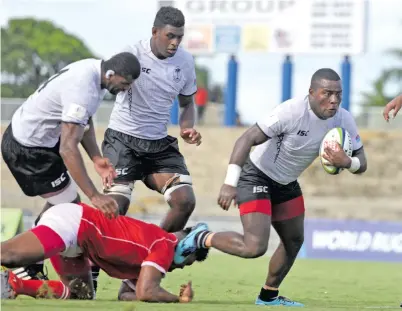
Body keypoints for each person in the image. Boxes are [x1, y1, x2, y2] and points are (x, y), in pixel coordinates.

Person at [176, 68, 368, 307]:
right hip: (256, 176)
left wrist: (348, 162)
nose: (334, 100)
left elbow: (363, 163)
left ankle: (269, 296)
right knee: (254, 246)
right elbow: (246, 139)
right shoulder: (291, 111)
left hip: (286, 184)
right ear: (311, 92)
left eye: (338, 94)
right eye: (327, 93)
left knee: (294, 240)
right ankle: (201, 237)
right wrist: (229, 183)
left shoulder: (343, 119)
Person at [1, 52, 141, 280]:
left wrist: (96, 158)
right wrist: (94, 196)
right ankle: (22, 262)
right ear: (111, 74)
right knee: (68, 208)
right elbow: (68, 148)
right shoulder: (84, 87)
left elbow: (84, 120)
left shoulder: (93, 72)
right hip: (29, 149)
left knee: (62, 207)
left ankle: (29, 263)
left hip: (38, 143)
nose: (125, 89)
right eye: (125, 83)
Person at [102, 6, 201, 232]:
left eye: (179, 37)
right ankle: (92, 265)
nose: (175, 42)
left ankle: (154, 254)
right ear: (155, 31)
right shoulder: (132, 54)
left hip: (157, 144)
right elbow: (108, 85)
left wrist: (187, 128)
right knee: (115, 207)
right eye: (170, 36)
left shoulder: (185, 61)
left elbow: (186, 103)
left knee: (184, 200)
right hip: (122, 140)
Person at [1, 202, 209, 302]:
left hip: (80, 241)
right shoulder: (165, 246)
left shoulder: (155, 253)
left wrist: (162, 295)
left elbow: (127, 295)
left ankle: (17, 284)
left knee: (80, 295)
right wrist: (177, 299)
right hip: (75, 222)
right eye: (187, 261)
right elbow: (147, 292)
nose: (181, 266)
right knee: (8, 255)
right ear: (185, 246)